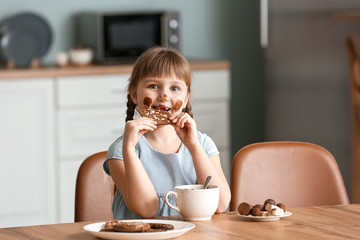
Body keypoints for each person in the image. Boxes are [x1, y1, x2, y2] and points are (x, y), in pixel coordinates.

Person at [103, 47, 231, 219]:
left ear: (185, 98)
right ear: (134, 94)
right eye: (153, 86)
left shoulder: (203, 145)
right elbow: (147, 209)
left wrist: (194, 147)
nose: (164, 95)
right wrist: (129, 149)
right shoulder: (121, 150)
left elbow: (221, 204)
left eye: (175, 88)